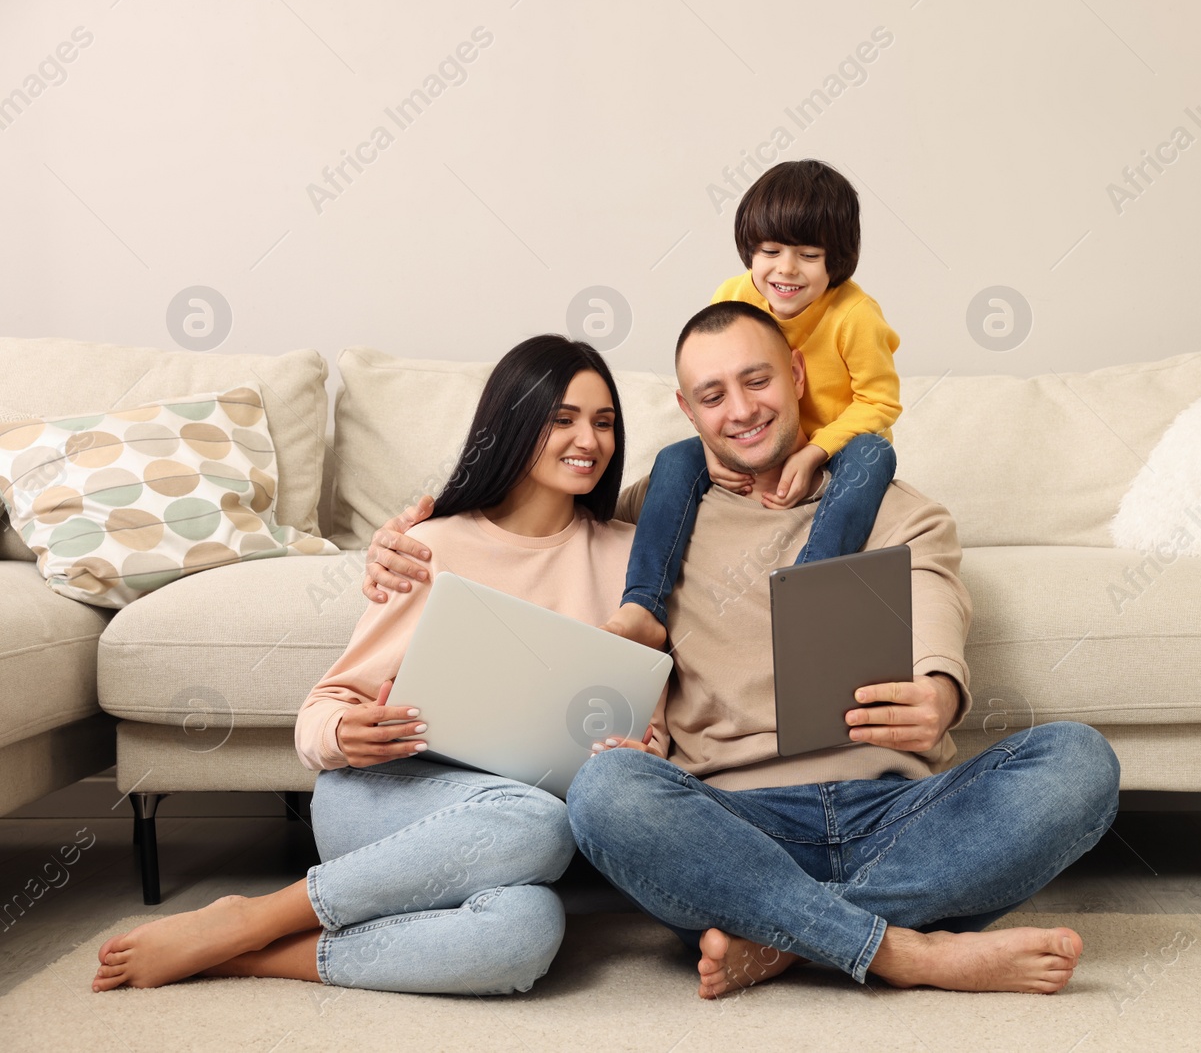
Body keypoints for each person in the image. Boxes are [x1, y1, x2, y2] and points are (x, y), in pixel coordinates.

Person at [365, 303, 1122, 998]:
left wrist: (940, 692)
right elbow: (533, 534)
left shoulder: (900, 509)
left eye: (757, 380)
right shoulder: (646, 521)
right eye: (714, 394)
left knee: (1080, 760)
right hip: (729, 824)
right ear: (687, 410)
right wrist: (408, 538)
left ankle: (789, 940)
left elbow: (935, 603)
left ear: (796, 375)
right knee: (606, 791)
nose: (742, 409)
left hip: (899, 809)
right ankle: (905, 951)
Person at [91, 335, 634, 995]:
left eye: (604, 422)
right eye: (563, 418)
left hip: (518, 828)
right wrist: (348, 732)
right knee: (540, 824)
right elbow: (321, 712)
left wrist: (637, 748)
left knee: (524, 935)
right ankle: (255, 917)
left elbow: (647, 715)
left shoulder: (633, 556)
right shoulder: (429, 547)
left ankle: (245, 951)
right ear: (515, 422)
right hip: (388, 797)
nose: (590, 439)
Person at [603, 159, 903, 651]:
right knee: (673, 460)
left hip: (836, 442)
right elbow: (708, 384)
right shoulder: (733, 296)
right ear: (750, 251)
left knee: (875, 455)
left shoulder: (855, 316)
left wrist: (815, 452)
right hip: (755, 443)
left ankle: (809, 588)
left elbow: (880, 401)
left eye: (808, 255)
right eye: (770, 251)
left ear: (838, 260)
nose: (786, 269)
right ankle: (643, 603)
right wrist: (710, 447)